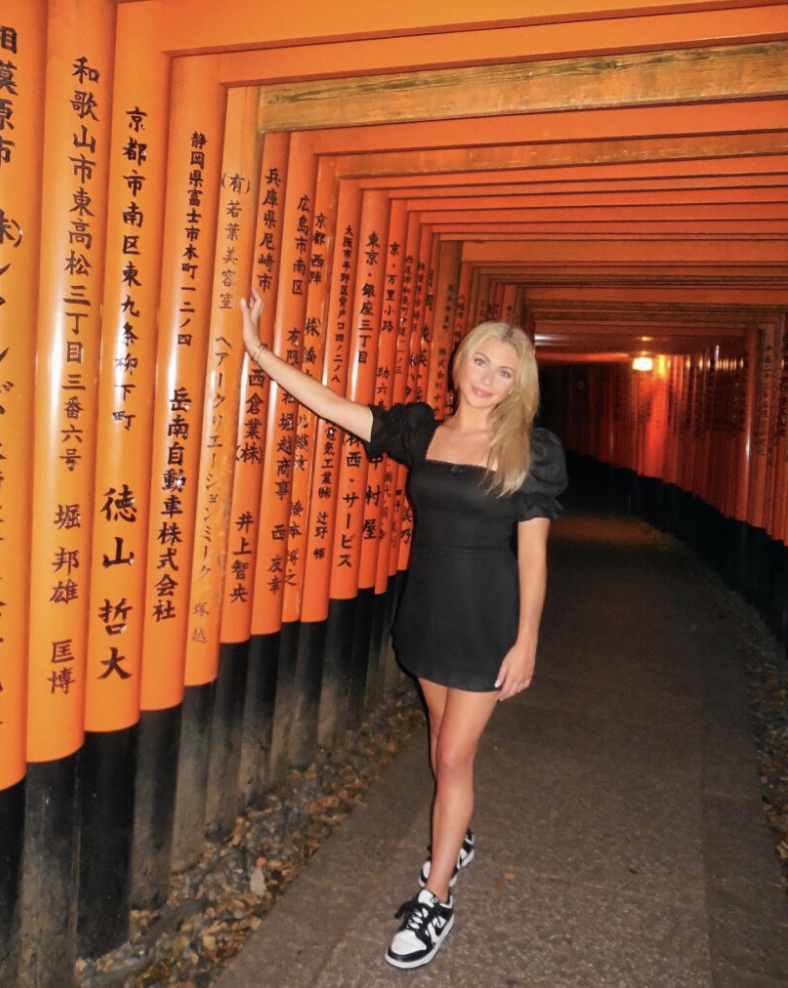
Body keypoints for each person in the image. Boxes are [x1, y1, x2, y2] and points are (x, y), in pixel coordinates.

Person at [240, 288, 567, 970]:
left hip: (485, 617)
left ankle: (437, 895)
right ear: (460, 363)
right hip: (426, 609)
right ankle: (459, 834)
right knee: (437, 737)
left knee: (453, 758)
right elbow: (334, 407)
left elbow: (532, 554)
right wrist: (260, 353)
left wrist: (528, 637)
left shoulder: (528, 450)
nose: (488, 378)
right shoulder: (424, 431)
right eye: (481, 361)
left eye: (505, 372)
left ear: (519, 384)